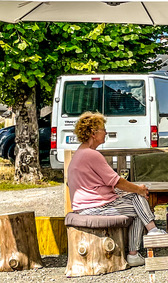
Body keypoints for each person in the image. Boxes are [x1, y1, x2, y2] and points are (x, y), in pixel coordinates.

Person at [66, 111, 161, 267]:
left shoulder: (80, 153)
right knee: (139, 200)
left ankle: (138, 249)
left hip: (87, 206)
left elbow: (101, 184)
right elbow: (116, 181)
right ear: (93, 133)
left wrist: (133, 191)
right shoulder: (91, 155)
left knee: (138, 205)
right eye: (103, 129)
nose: (106, 133)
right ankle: (150, 234)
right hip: (94, 207)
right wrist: (138, 189)